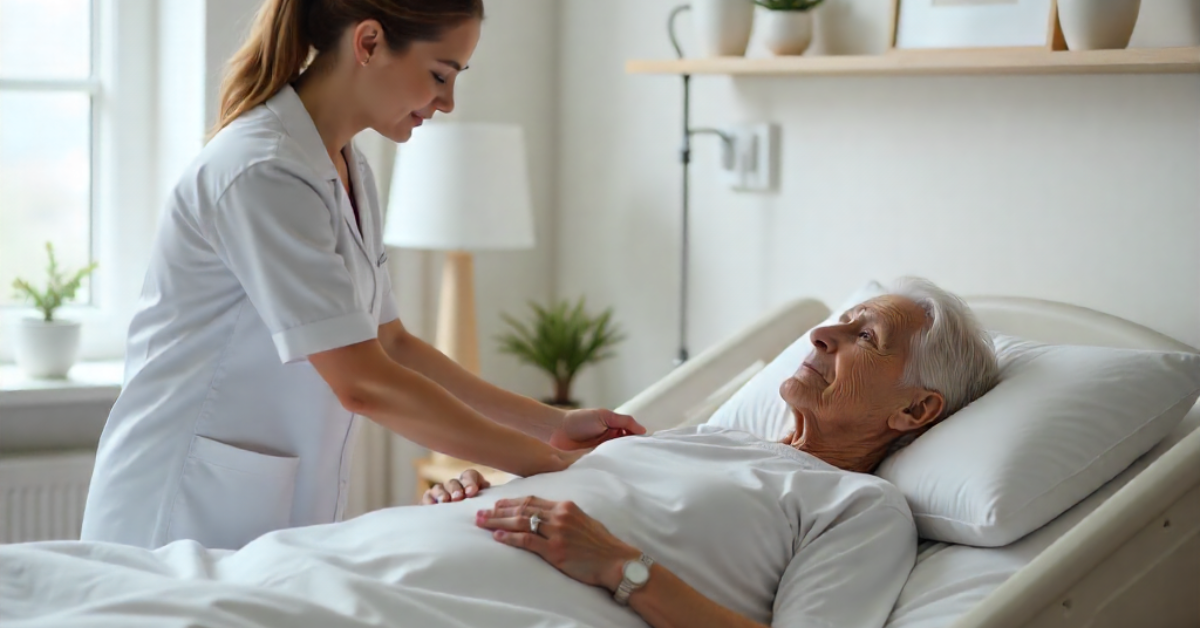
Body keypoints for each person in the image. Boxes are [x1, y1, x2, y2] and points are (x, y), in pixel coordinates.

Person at [80, 0, 642, 552]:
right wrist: (546, 465)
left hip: (260, 511)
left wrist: (551, 426)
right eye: (440, 75)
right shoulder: (264, 170)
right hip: (177, 509)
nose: (447, 101)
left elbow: (392, 345)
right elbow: (363, 383)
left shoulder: (345, 165)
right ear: (369, 42)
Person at [425, 278, 1001, 627]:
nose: (822, 335)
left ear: (915, 411)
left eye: (866, 338)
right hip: (421, 555)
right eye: (842, 322)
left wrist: (621, 567)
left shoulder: (860, 507)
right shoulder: (707, 437)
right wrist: (470, 499)